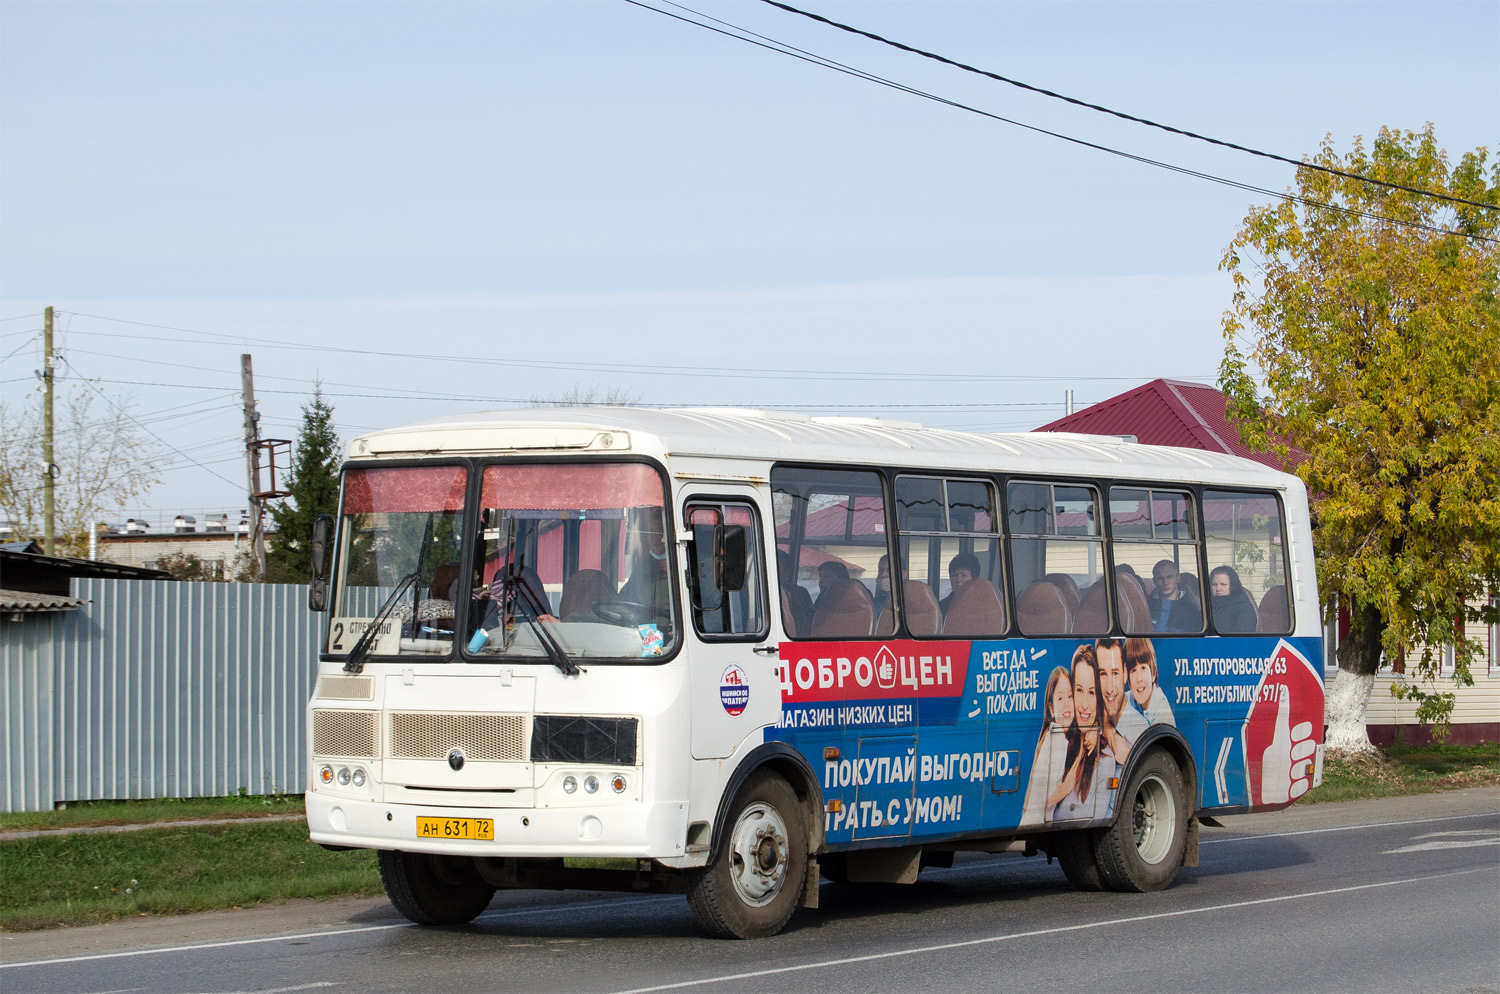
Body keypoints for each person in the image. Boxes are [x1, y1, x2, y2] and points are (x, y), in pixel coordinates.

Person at [1048, 645, 1117, 822]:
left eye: (1092, 692)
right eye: (1079, 690)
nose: (1085, 704)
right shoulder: (1059, 742)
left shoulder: (1104, 760)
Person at [1020, 665, 1078, 825]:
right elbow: (1049, 797)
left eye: (1070, 696)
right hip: (1036, 822)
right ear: (1051, 708)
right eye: (1060, 698)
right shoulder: (1057, 737)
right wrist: (1070, 782)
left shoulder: (1050, 734)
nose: (1067, 704)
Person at [1096, 637, 1146, 768]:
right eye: (1103, 674)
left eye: (1115, 673)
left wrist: (1130, 759)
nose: (1109, 689)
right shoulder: (1093, 719)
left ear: (1125, 674)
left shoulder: (1141, 731)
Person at [616, 509, 673, 619]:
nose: (655, 537)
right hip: (643, 632)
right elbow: (621, 603)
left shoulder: (689, 566)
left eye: (660, 531)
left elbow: (710, 614)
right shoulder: (644, 568)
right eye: (652, 532)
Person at [1124, 638, 1175, 727]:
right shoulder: (1129, 698)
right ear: (1129, 682)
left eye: (1143, 668)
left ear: (1153, 674)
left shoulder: (1161, 709)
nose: (1139, 678)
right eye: (1133, 670)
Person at [1148, 559, 1201, 633]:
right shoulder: (1146, 607)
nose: (1165, 582)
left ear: (1178, 578)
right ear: (1154, 581)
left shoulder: (1191, 608)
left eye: (1169, 577)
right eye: (1160, 578)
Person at [1210, 565, 1258, 633]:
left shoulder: (1244, 608)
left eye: (1223, 584)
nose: (1218, 589)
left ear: (1232, 585)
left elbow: (1241, 637)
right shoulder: (1207, 606)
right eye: (1214, 584)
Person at [938, 552, 981, 617]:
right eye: (954, 575)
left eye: (964, 575)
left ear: (975, 579)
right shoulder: (941, 607)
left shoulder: (984, 605)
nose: (958, 580)